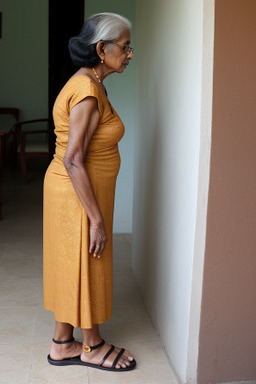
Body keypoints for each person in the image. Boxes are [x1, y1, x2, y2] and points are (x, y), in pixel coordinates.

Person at [43, 12, 136, 371]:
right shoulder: (86, 90)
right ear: (102, 48)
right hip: (77, 194)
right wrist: (96, 219)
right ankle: (93, 344)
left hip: (76, 192)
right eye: (125, 47)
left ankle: (63, 343)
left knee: (73, 263)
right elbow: (74, 160)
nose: (129, 54)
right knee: (88, 263)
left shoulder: (91, 82)